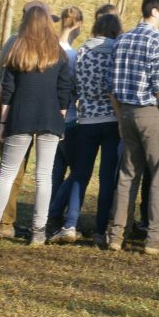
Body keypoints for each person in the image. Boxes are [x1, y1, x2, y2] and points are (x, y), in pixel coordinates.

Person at [0, 5, 72, 245]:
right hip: (50, 120)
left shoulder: (17, 50)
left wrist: (2, 121)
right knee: (44, 176)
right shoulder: (59, 54)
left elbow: (8, 90)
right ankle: (38, 233)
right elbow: (64, 91)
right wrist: (61, 120)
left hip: (20, 118)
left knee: (6, 174)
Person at [107, 0, 159, 256]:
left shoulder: (122, 39)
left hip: (127, 113)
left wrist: (120, 118)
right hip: (151, 113)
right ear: (154, 12)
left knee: (128, 175)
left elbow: (112, 87)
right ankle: (158, 238)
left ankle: (116, 234)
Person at [49, 14, 122, 246]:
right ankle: (101, 229)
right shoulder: (116, 51)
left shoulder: (81, 52)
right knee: (106, 177)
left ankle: (70, 224)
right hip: (111, 120)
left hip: (86, 120)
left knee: (81, 174)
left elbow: (74, 86)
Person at [48, 6, 83, 232]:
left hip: (47, 119)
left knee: (54, 171)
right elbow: (76, 89)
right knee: (78, 169)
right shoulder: (73, 55)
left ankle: (50, 213)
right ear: (78, 25)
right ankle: (55, 213)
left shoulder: (48, 49)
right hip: (68, 119)